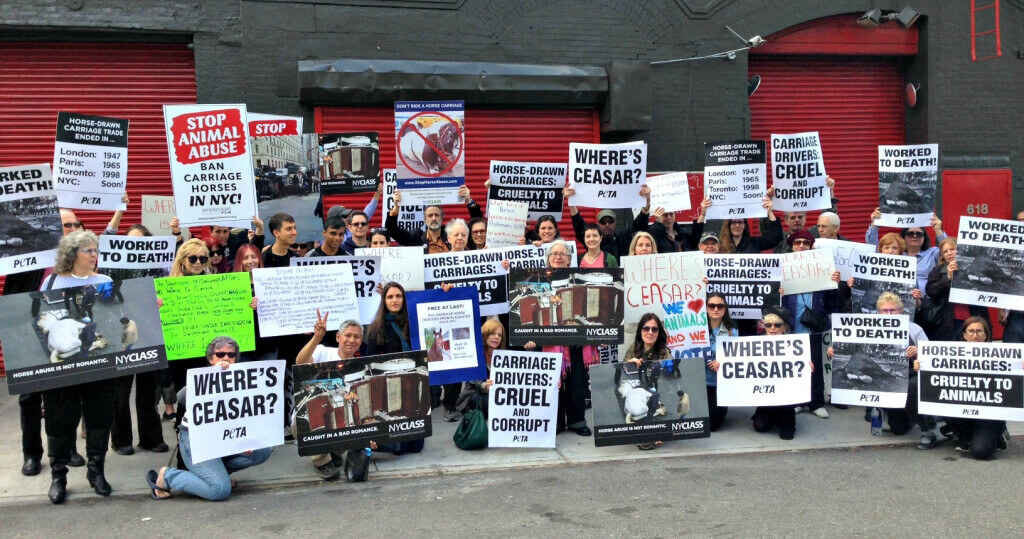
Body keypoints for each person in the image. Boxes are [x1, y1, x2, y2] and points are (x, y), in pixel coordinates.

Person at [40, 230, 116, 504]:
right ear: (73, 254)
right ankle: (58, 475)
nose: (95, 255)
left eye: (96, 251)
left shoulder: (105, 280)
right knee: (60, 420)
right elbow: (42, 319)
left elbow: (115, 312)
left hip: (98, 363)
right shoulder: (52, 281)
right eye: (89, 251)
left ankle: (96, 471)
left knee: (99, 417)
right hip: (63, 365)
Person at [146, 337, 273, 501]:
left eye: (230, 355)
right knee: (219, 491)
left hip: (224, 439)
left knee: (262, 451)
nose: (226, 358)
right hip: (197, 440)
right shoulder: (203, 378)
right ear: (211, 359)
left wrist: (244, 440)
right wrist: (214, 375)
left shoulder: (244, 379)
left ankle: (215, 474)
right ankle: (169, 476)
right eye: (220, 354)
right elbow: (181, 397)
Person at [828, 292, 936, 446]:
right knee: (899, 429)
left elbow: (932, 355)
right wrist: (833, 351)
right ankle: (902, 415)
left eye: (893, 310)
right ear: (878, 312)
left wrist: (919, 352)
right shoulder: (865, 329)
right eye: (885, 311)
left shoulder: (914, 329)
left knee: (910, 387)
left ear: (901, 311)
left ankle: (926, 430)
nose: (889, 314)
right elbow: (848, 346)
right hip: (882, 374)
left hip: (912, 375)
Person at [529, 240, 598, 436]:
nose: (558, 257)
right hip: (549, 344)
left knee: (577, 383)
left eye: (563, 254)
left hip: (576, 341)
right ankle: (556, 422)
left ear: (569, 260)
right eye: (555, 254)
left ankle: (577, 421)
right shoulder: (537, 281)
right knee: (552, 384)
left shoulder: (580, 279)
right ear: (548, 259)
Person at [295, 314, 376, 481]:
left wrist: (371, 436)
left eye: (356, 337)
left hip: (341, 415)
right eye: (347, 335)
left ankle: (334, 450)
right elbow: (300, 361)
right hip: (315, 413)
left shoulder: (361, 367)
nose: (351, 340)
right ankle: (322, 461)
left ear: (361, 342)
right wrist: (317, 337)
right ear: (338, 337)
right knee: (304, 419)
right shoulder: (322, 351)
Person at [916, 317, 1010, 459]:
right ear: (964, 334)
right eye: (971, 331)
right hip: (963, 412)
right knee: (944, 401)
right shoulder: (951, 354)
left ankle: (998, 434)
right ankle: (964, 435)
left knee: (981, 452)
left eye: (979, 331)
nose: (975, 335)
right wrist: (921, 367)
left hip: (990, 414)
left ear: (986, 335)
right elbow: (936, 378)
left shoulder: (1003, 355)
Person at [781, 230, 841, 419]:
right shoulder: (782, 269)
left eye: (805, 243)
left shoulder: (823, 269)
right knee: (793, 366)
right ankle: (797, 401)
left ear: (811, 246)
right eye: (797, 242)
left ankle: (815, 402)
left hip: (813, 327)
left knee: (815, 364)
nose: (801, 246)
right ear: (791, 246)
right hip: (791, 326)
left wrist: (835, 285)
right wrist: (779, 291)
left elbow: (834, 304)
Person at [363, 282, 425, 454]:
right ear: (384, 301)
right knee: (400, 449)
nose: (395, 300)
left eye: (398, 296)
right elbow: (371, 362)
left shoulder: (415, 321)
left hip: (414, 383)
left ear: (404, 299)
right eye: (390, 297)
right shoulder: (377, 328)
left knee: (416, 447)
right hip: (390, 387)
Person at [623, 313, 672, 450]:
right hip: (637, 390)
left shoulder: (664, 352)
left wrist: (661, 366)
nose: (650, 332)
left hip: (653, 389)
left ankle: (653, 432)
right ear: (640, 330)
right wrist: (630, 364)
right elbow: (623, 373)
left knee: (652, 406)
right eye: (646, 328)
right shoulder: (633, 348)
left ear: (659, 332)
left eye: (654, 329)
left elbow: (669, 374)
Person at [925, 237, 991, 338]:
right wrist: (948, 278)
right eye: (945, 251)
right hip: (948, 322)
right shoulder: (938, 270)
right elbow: (931, 291)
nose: (949, 253)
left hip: (974, 319)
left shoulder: (973, 268)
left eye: (952, 249)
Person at [866, 209, 946, 291]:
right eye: (910, 234)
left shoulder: (933, 253)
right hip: (897, 298)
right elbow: (872, 248)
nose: (915, 236)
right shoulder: (896, 253)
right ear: (904, 236)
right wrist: (874, 225)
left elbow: (950, 251)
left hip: (926, 299)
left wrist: (938, 231)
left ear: (924, 237)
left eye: (919, 234)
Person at [751, 306, 800, 440]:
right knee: (760, 426)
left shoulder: (795, 345)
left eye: (777, 325)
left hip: (786, 394)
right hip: (766, 393)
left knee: (786, 434)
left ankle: (788, 422)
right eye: (768, 325)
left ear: (784, 327)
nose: (772, 328)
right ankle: (771, 415)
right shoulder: (754, 343)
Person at [386, 186, 482, 253]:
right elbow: (392, 230)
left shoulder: (453, 234)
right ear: (424, 219)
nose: (433, 218)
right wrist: (396, 206)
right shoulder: (416, 238)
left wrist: (469, 201)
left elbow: (478, 223)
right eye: (430, 215)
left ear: (442, 217)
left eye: (436, 215)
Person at [564, 184, 650, 259]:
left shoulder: (622, 238)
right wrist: (572, 202)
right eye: (603, 222)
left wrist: (646, 203)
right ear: (598, 224)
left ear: (615, 223)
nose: (607, 224)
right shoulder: (594, 241)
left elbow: (638, 226)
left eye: (610, 221)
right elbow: (579, 226)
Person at [703, 293, 738, 432]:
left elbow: (737, 360)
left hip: (719, 384)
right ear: (706, 308)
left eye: (720, 306)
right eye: (712, 306)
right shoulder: (695, 330)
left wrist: (723, 364)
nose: (716, 309)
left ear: (725, 309)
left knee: (712, 425)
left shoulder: (732, 332)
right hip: (699, 382)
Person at [456, 319, 504, 420]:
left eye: (499, 335)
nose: (496, 337)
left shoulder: (504, 356)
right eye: (492, 334)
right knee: (490, 401)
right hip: (475, 395)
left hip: (497, 395)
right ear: (485, 334)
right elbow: (472, 381)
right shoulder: (475, 354)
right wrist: (484, 385)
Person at [717, 198, 782, 254]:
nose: (737, 225)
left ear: (745, 225)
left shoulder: (754, 243)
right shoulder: (719, 245)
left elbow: (775, 238)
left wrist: (770, 212)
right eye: (734, 222)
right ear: (728, 226)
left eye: (740, 222)